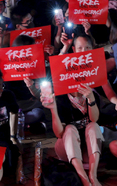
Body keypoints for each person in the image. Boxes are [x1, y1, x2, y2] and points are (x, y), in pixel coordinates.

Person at [41, 36, 104, 186]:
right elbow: (59, 134)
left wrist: (90, 99)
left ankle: (93, 175)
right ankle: (83, 177)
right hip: (67, 149)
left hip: (88, 150)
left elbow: (94, 120)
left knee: (94, 126)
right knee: (69, 128)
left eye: (87, 48)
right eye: (80, 48)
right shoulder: (61, 96)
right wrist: (53, 109)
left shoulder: (92, 92)